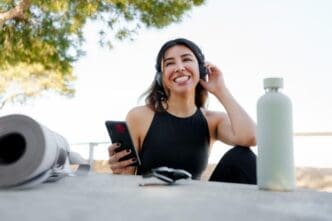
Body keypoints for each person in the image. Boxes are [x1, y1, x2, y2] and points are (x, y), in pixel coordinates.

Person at [108, 38, 257, 184]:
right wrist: (123, 174)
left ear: (200, 69)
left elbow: (251, 137)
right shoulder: (139, 116)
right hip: (151, 202)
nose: (179, 67)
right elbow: (127, 182)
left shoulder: (212, 121)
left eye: (186, 60)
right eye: (170, 63)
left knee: (243, 156)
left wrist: (220, 90)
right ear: (161, 76)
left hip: (194, 205)